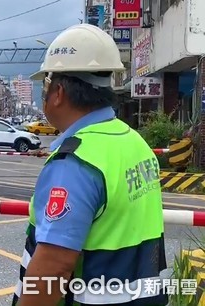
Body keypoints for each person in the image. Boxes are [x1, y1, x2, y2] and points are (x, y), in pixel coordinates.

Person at [12, 24, 167, 306]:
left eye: (45, 86)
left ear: (58, 92)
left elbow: (54, 267)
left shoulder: (75, 163)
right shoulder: (133, 141)